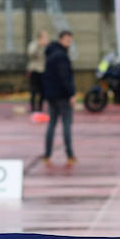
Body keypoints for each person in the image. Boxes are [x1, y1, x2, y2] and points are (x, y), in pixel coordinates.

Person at [42, 30, 77, 164]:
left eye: (70, 41)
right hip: (62, 96)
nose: (69, 43)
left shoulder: (50, 53)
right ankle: (70, 154)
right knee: (66, 124)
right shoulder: (61, 56)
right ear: (61, 40)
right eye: (67, 41)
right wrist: (71, 93)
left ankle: (47, 154)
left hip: (51, 95)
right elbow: (65, 77)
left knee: (51, 124)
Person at [26, 30, 48, 114]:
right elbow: (31, 54)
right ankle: (32, 107)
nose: (46, 38)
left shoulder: (46, 46)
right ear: (39, 37)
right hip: (34, 70)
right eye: (44, 37)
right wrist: (39, 45)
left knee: (43, 91)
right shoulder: (34, 44)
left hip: (43, 70)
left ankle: (40, 107)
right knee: (34, 90)